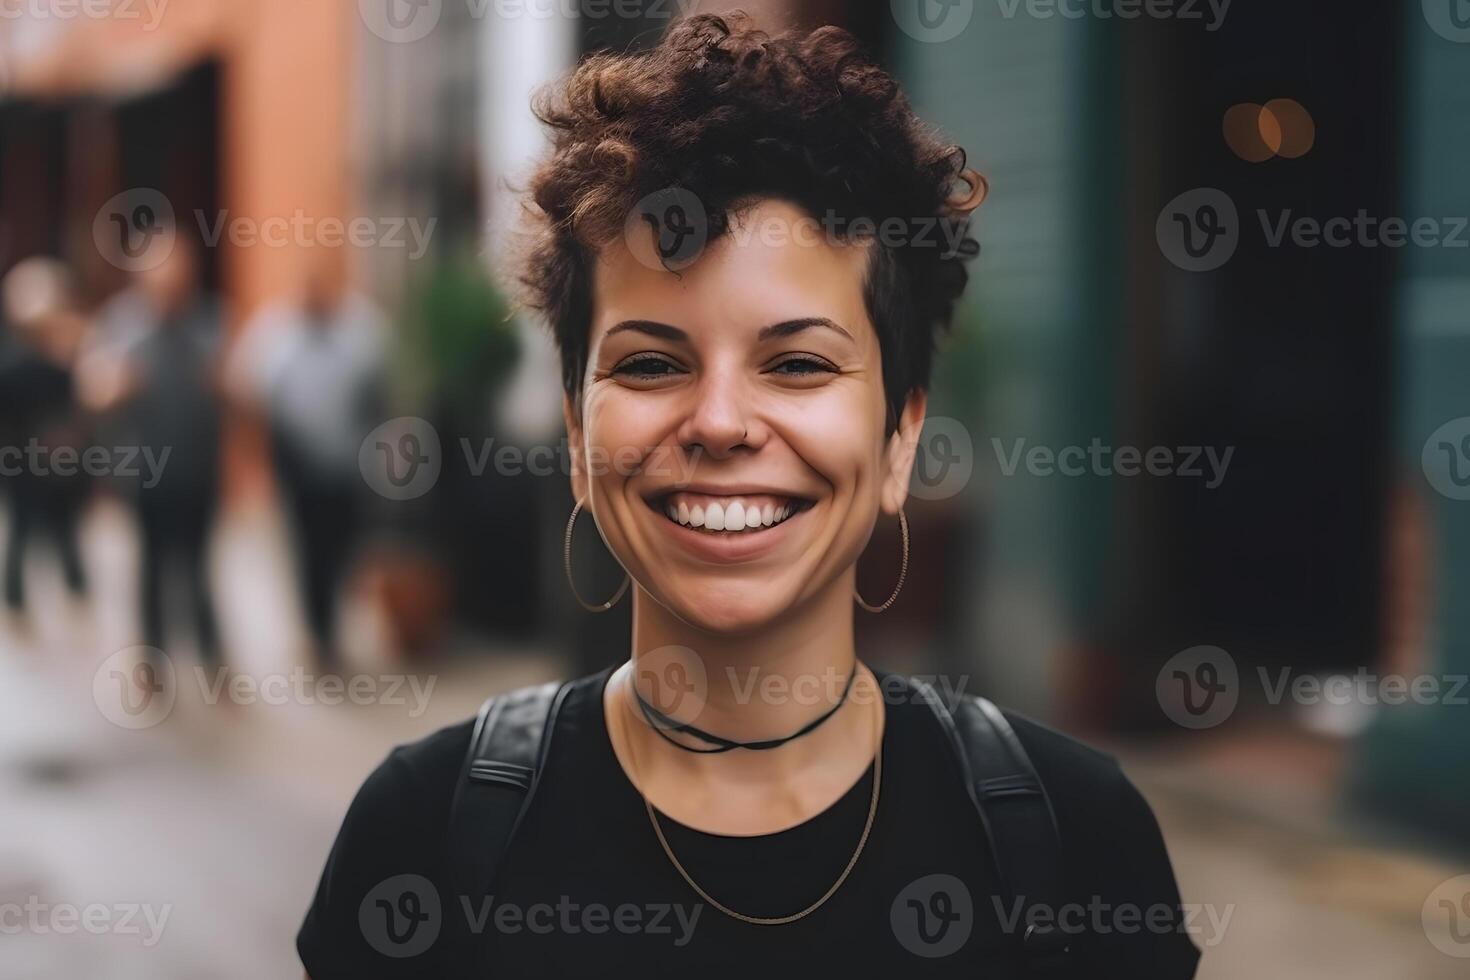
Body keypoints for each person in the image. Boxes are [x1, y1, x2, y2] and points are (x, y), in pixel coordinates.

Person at [297, 16, 1201, 979]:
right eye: (650, 363)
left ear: (900, 437)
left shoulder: (1076, 849)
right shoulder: (425, 840)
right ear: (574, 432)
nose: (720, 422)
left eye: (798, 363)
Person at [229, 254, 387, 666]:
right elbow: (247, 395)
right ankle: (317, 636)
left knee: (343, 549)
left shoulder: (363, 329)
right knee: (305, 551)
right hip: (295, 462)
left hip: (350, 461)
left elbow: (381, 393)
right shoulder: (273, 332)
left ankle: (333, 623)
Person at [84, 237, 225, 666]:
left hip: (199, 466)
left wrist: (223, 384)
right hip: (145, 471)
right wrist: (118, 385)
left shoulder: (209, 320)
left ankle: (212, 658)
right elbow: (93, 388)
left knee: (199, 569)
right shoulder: (121, 322)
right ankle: (152, 661)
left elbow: (237, 388)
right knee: (150, 569)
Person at [0, 258, 91, 629]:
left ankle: (76, 591)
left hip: (59, 458)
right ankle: (17, 601)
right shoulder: (13, 361)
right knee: (23, 530)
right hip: (22, 460)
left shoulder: (64, 356)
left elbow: (78, 403)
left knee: (66, 528)